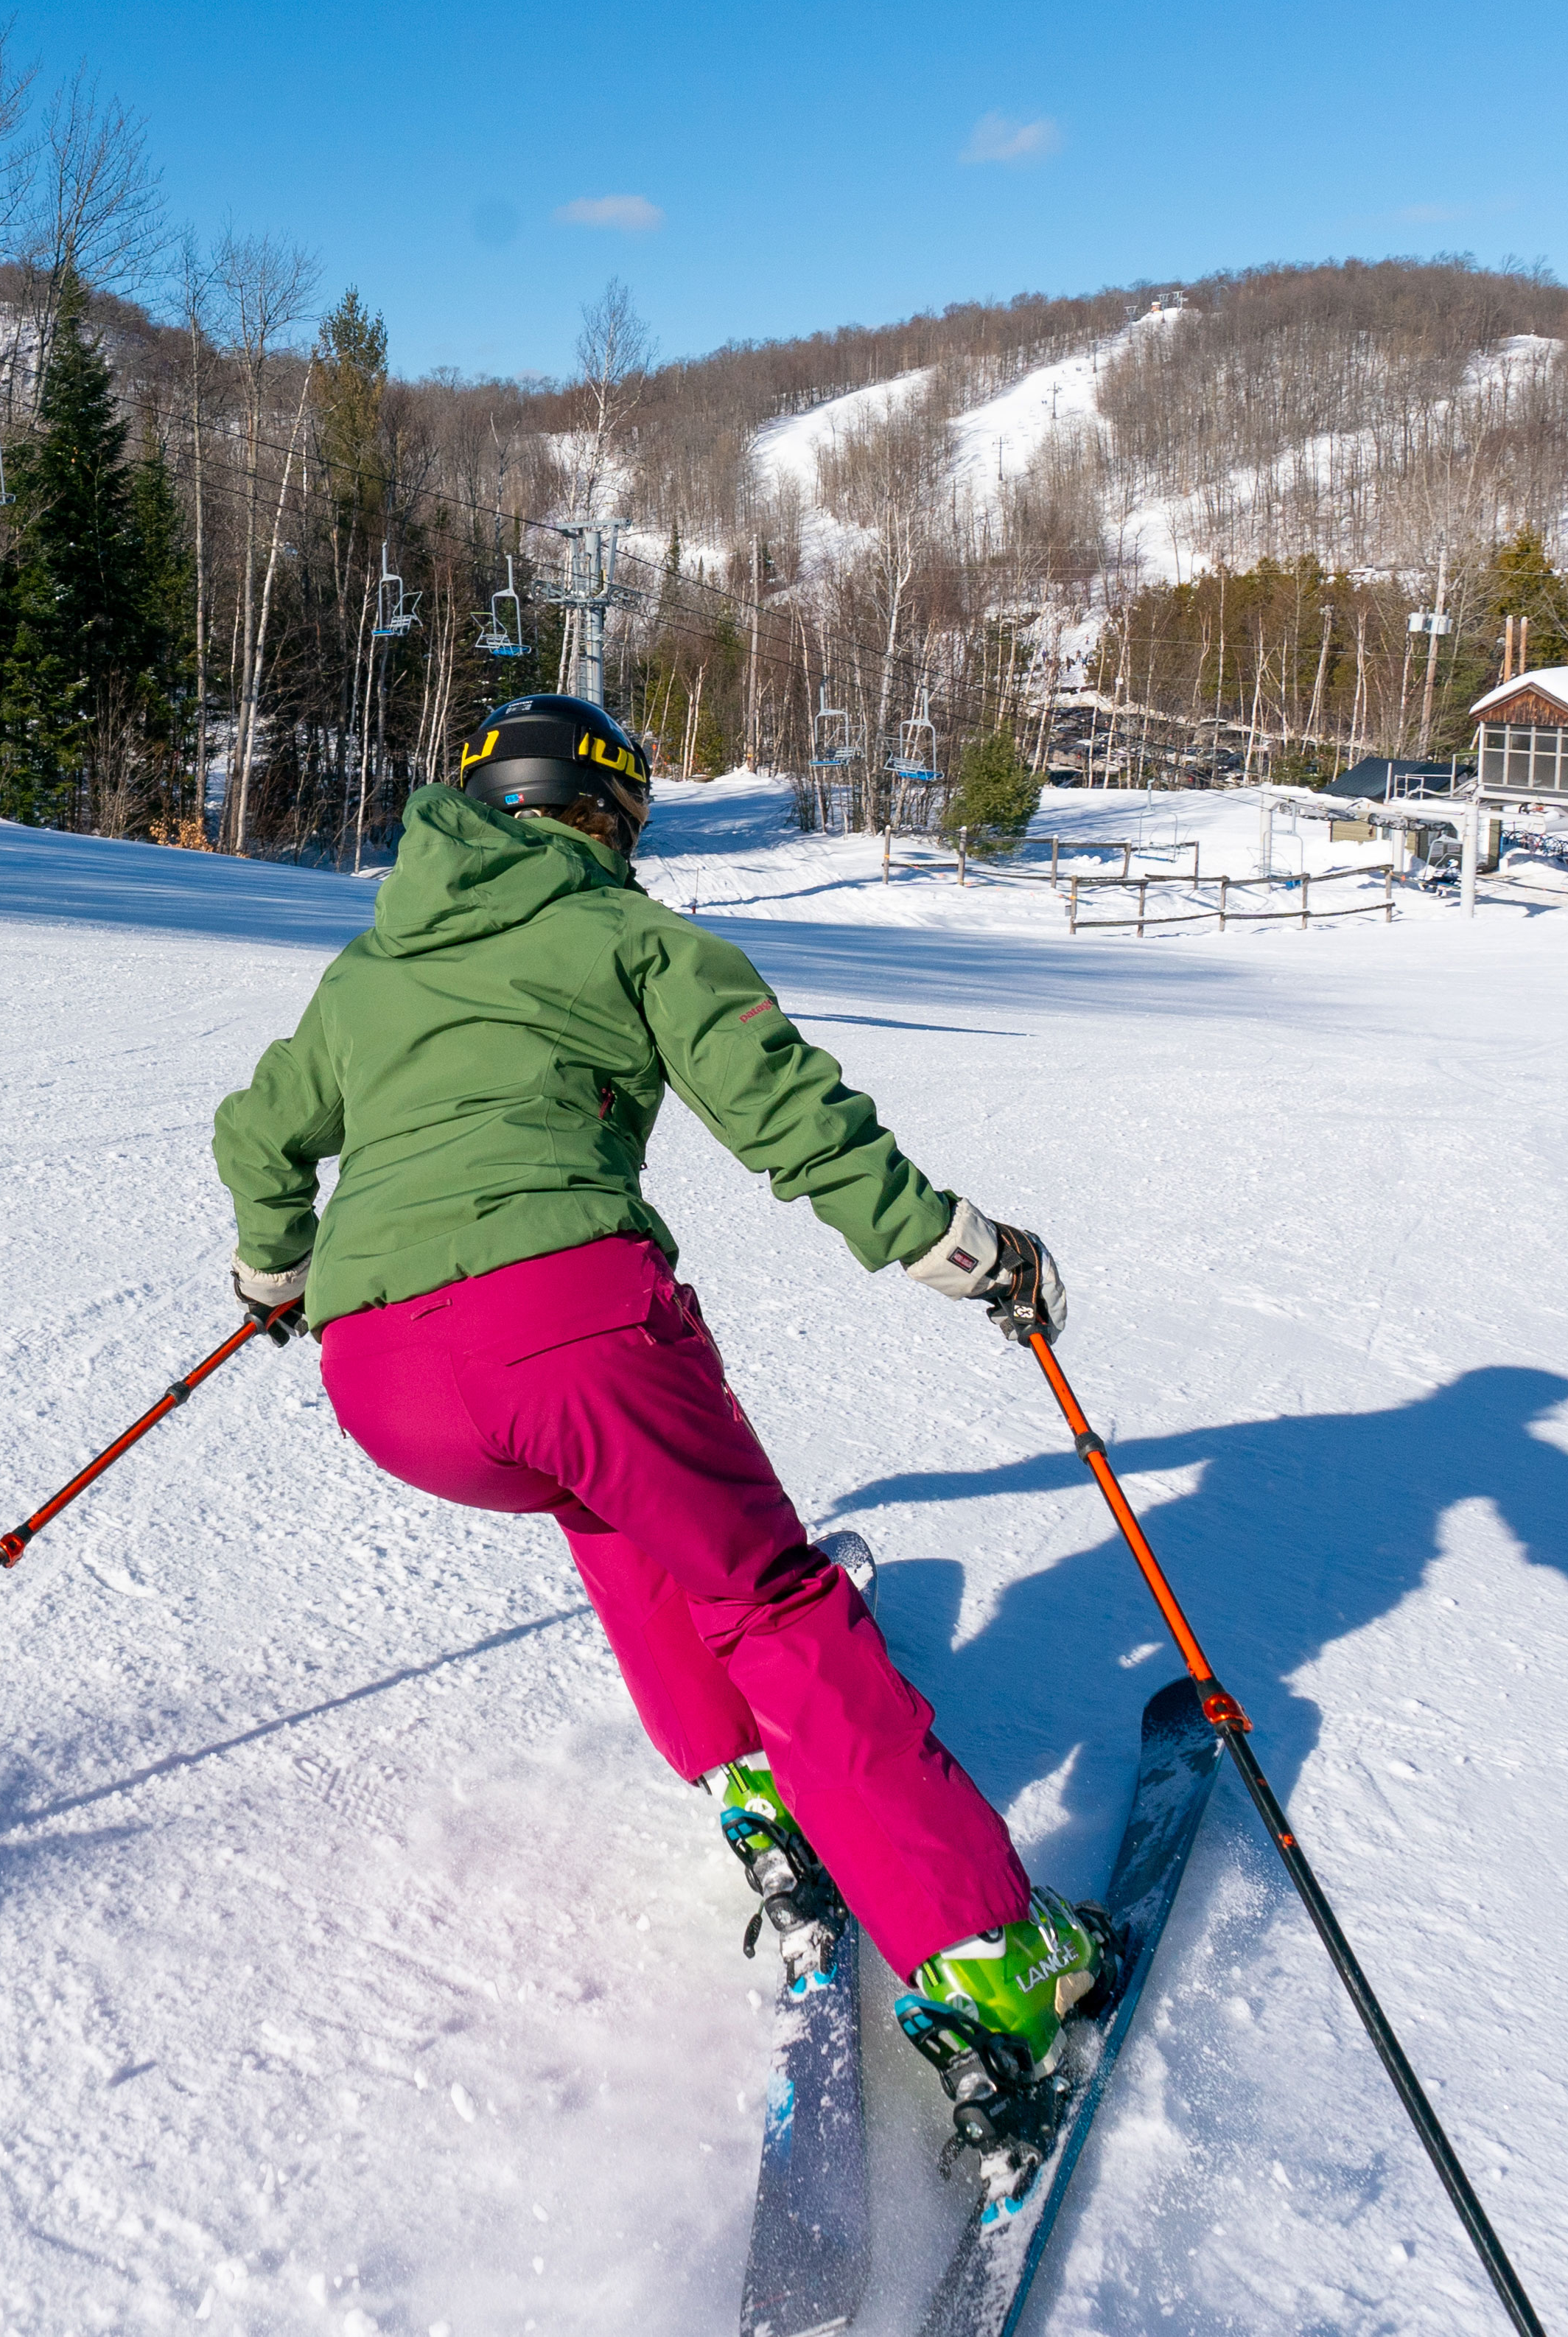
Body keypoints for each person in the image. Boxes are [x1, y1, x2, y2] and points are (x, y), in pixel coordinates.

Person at [211, 694, 1105, 2120]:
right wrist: (958, 1247)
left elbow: (259, 1131)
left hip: (380, 1381)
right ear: (610, 815)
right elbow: (786, 1110)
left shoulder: (371, 966)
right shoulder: (633, 935)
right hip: (568, 1327)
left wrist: (276, 1270)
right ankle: (989, 1955)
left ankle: (754, 1790)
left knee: (611, 1505)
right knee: (774, 1601)